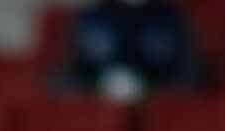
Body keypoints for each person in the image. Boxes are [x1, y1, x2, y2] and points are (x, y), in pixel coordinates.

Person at [64, 0, 202, 99]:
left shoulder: (171, 16)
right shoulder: (92, 17)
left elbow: (186, 73)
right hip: (97, 109)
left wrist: (151, 89)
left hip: (164, 112)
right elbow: (74, 73)